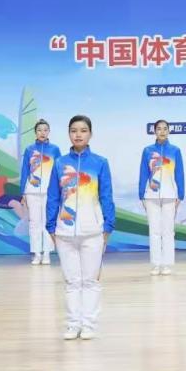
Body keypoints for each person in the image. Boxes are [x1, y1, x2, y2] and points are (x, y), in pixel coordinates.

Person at [47, 115, 115, 341]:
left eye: (83, 130)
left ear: (90, 134)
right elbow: (53, 196)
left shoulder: (100, 163)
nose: (78, 134)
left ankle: (88, 324)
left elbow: (106, 195)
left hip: (93, 231)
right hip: (64, 232)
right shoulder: (59, 163)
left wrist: (108, 225)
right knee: (72, 281)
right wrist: (51, 226)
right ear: (69, 133)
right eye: (74, 130)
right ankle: (72, 323)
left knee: (90, 280)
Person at [137, 120, 184, 277]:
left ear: (168, 131)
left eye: (165, 129)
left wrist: (181, 194)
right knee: (154, 230)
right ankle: (156, 264)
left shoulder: (175, 151)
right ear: (154, 131)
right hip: (151, 196)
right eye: (159, 129)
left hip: (170, 195)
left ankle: (166, 264)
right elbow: (143, 172)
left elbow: (179, 173)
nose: (162, 131)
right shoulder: (147, 151)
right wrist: (141, 193)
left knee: (168, 231)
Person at [20, 119, 60, 265]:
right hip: (31, 191)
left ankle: (47, 254)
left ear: (49, 132)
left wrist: (60, 190)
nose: (42, 133)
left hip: (50, 192)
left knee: (48, 222)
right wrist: (23, 193)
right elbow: (25, 171)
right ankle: (37, 253)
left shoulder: (55, 150)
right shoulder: (29, 150)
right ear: (35, 132)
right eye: (39, 130)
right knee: (34, 223)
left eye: (45, 130)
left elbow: (59, 171)